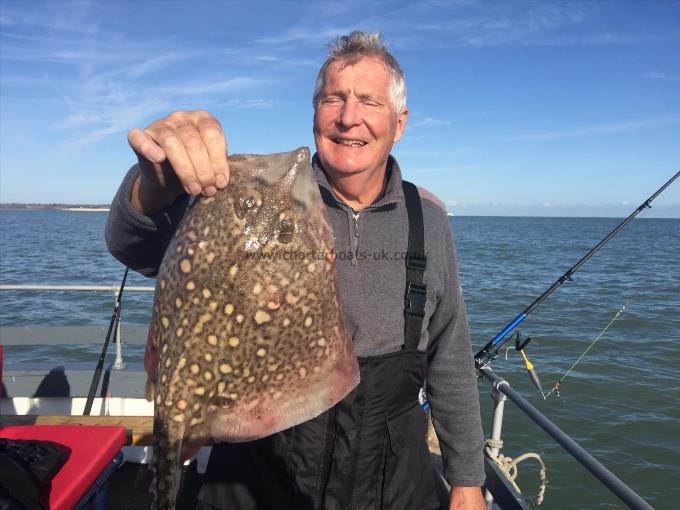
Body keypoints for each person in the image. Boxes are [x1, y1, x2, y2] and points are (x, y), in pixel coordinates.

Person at [106, 31, 485, 510]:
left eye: (368, 100)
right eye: (333, 98)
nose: (349, 117)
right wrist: (153, 183)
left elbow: (450, 354)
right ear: (314, 114)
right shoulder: (254, 199)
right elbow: (132, 244)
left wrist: (467, 479)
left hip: (391, 475)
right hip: (264, 463)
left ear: (399, 122)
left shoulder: (427, 218)